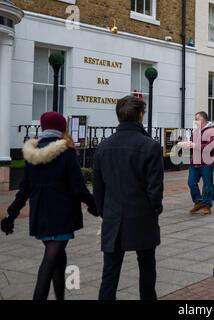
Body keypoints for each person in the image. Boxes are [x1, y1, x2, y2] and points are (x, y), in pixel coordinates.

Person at [0, 112, 98, 300]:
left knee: (59, 258)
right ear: (62, 128)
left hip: (41, 215)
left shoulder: (31, 154)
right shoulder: (67, 152)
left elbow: (24, 190)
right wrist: (94, 205)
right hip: (62, 215)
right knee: (49, 261)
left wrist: (11, 215)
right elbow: (78, 187)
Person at [93, 95, 163, 300]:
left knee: (110, 273)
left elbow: (98, 187)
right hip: (142, 215)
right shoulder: (150, 146)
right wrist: (155, 208)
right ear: (141, 115)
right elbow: (155, 188)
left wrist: (103, 211)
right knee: (147, 267)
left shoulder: (103, 147)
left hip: (114, 215)